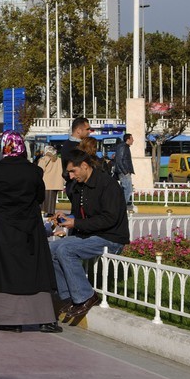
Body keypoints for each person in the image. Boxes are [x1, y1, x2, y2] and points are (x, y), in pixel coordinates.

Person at [0, 132, 61, 333]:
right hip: (29, 229)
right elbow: (38, 197)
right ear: (22, 148)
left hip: (2, 230)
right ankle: (43, 318)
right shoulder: (34, 171)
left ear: (4, 147)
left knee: (4, 273)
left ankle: (9, 320)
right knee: (35, 272)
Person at [51, 148, 130, 325]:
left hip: (111, 237)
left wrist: (76, 224)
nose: (70, 176)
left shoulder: (108, 184)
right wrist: (67, 218)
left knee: (65, 249)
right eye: (68, 172)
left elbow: (109, 219)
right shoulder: (79, 186)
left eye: (73, 171)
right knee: (50, 249)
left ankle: (86, 297)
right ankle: (68, 296)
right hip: (90, 235)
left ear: (85, 166)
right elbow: (82, 216)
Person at [36, 143, 64, 217]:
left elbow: (40, 170)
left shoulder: (44, 159)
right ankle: (50, 215)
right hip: (55, 184)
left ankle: (44, 217)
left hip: (46, 183)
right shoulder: (59, 160)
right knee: (52, 202)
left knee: (44, 202)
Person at [112, 133, 136, 207]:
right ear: (128, 139)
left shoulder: (125, 147)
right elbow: (119, 160)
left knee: (124, 190)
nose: (133, 140)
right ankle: (121, 207)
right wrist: (125, 172)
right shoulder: (123, 147)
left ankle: (119, 206)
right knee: (128, 189)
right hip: (124, 172)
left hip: (124, 171)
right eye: (132, 139)